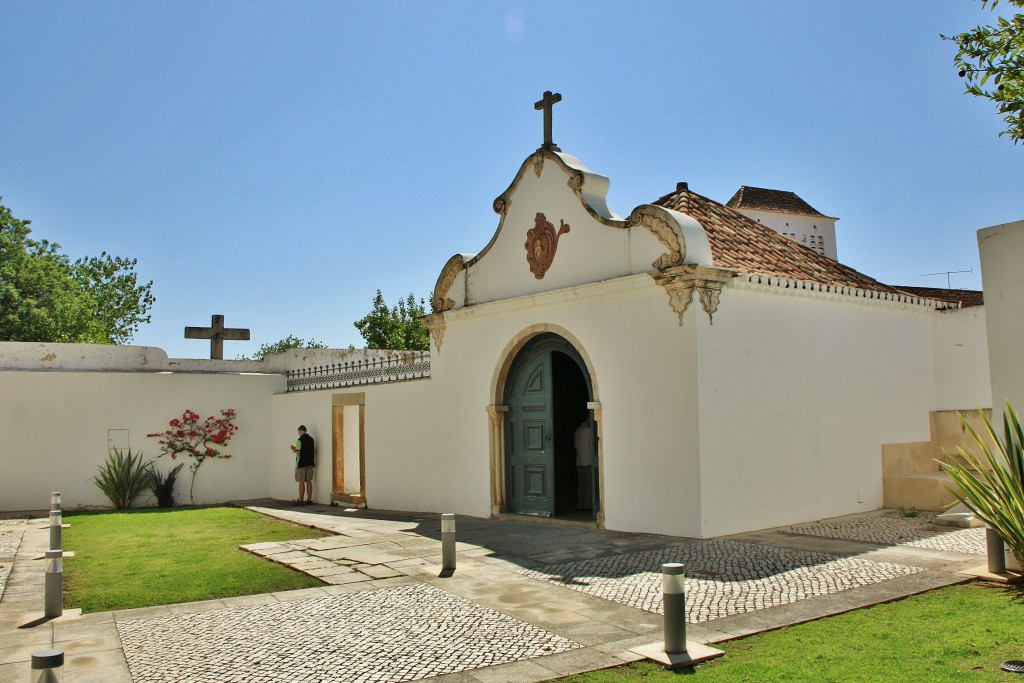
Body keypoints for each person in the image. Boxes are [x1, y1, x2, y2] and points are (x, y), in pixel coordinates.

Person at [290, 425, 316, 505]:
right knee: (309, 481)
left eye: (298, 432)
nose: (298, 433)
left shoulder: (299, 440)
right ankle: (309, 500)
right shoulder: (311, 439)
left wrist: (293, 449)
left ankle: (301, 500)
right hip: (310, 462)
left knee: (301, 482)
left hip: (301, 463)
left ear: (301, 431)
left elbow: (298, 452)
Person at [574, 414, 594, 511]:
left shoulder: (577, 431)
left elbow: (575, 447)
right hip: (588, 461)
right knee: (588, 485)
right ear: (587, 419)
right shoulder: (588, 431)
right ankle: (588, 505)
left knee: (581, 484)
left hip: (579, 461)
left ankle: (580, 505)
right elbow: (593, 446)